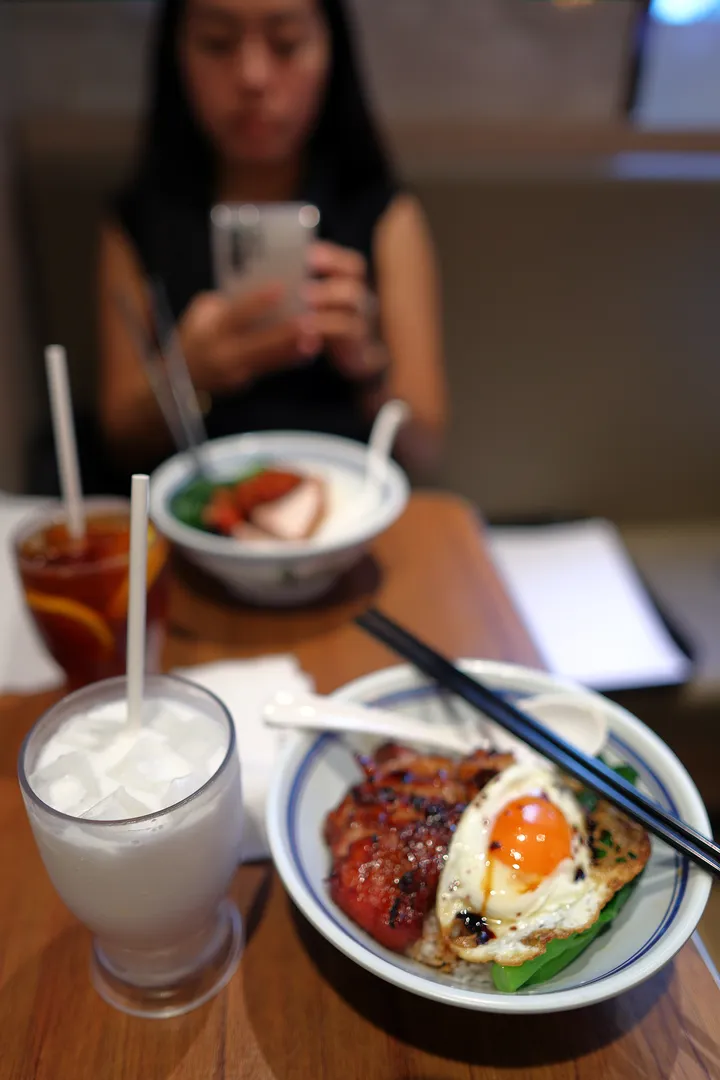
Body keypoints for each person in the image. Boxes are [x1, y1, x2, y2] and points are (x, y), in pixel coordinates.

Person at [98, 0, 447, 482]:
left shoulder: (385, 216)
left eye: (286, 44)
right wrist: (185, 374)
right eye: (217, 44)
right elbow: (121, 441)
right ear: (175, 54)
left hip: (345, 510)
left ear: (332, 52)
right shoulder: (139, 222)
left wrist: (368, 366)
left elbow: (424, 448)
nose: (253, 77)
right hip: (194, 515)